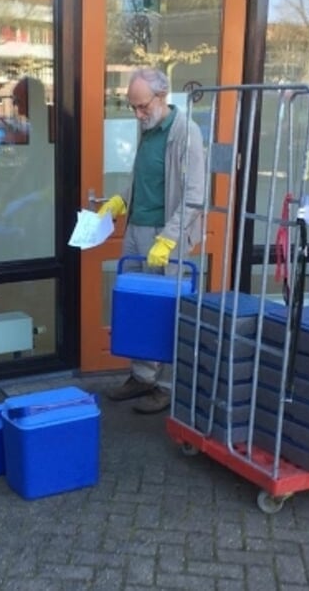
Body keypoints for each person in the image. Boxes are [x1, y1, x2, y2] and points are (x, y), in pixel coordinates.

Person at [98, 68, 206, 414]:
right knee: (139, 308)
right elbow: (142, 176)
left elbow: (195, 196)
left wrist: (169, 240)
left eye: (142, 106)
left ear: (162, 97)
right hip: (136, 230)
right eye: (133, 107)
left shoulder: (186, 133)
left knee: (168, 311)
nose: (137, 114)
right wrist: (120, 200)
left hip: (166, 235)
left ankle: (166, 385)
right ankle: (142, 376)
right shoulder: (147, 129)